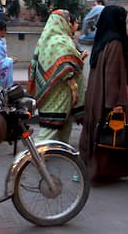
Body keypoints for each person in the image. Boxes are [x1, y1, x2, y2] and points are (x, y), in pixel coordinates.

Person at [78, 5, 128, 182]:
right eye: (124, 20)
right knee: (122, 134)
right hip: (109, 99)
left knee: (101, 135)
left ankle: (98, 169)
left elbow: (118, 68)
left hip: (97, 96)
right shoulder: (115, 42)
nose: (126, 23)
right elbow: (112, 74)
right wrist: (116, 105)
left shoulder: (103, 40)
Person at [28, 9, 85, 143]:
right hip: (60, 88)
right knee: (51, 126)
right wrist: (74, 87)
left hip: (50, 87)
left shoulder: (46, 40)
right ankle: (34, 155)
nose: (73, 24)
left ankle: (59, 150)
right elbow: (65, 64)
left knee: (63, 122)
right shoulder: (60, 40)